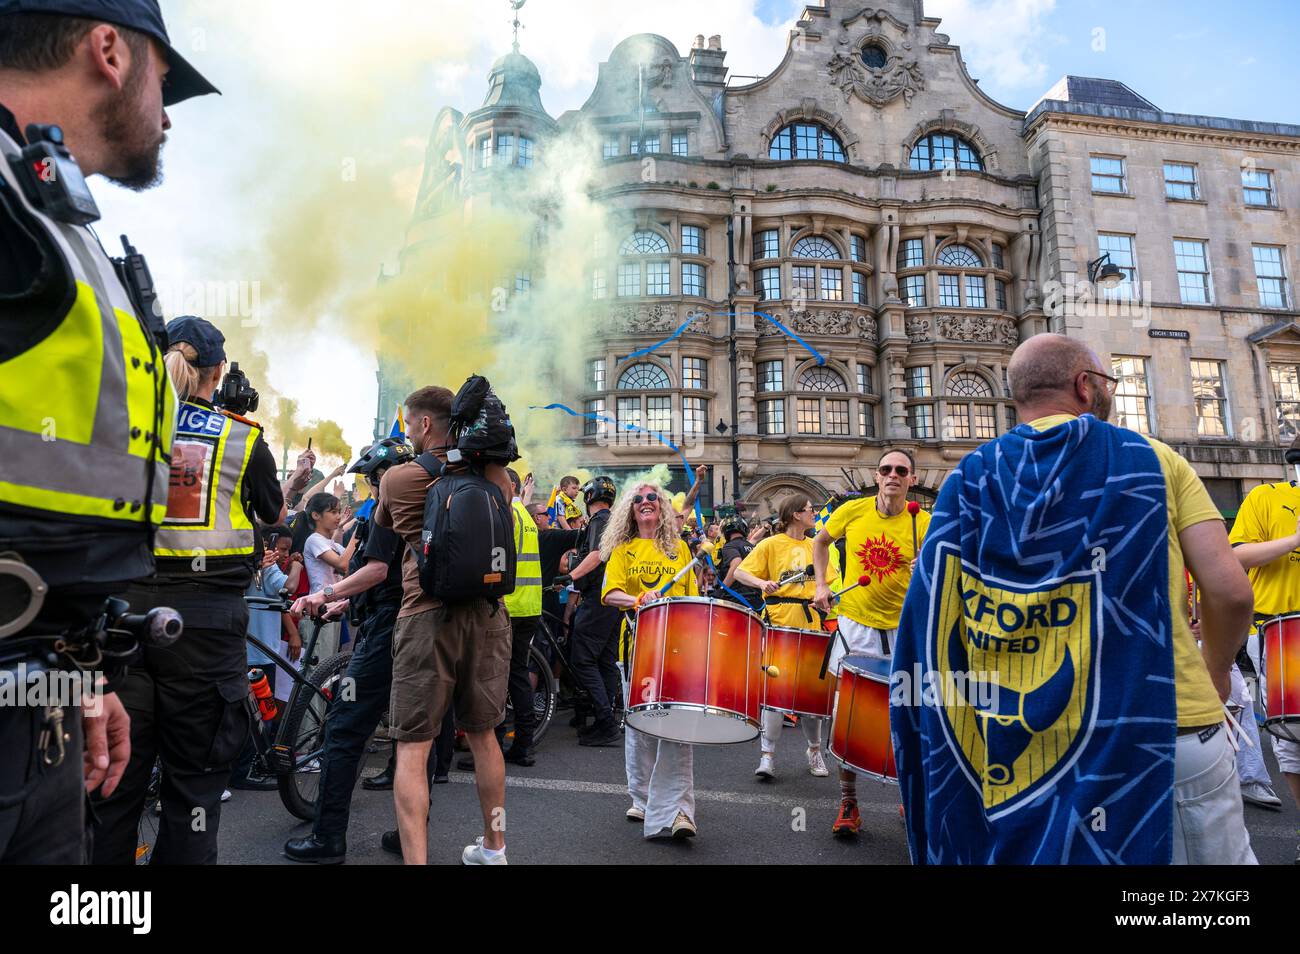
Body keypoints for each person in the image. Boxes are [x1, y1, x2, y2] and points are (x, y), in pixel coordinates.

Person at [893, 333, 1257, 865]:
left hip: (1028, 750)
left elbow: (936, 612)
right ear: (1085, 387)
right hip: (1165, 728)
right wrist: (1218, 670)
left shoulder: (969, 477)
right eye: (1106, 382)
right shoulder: (1155, 460)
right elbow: (1228, 590)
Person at [0, 0, 217, 864]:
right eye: (166, 82)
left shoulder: (46, 205)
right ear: (109, 52)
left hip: (44, 700)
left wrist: (71, 677)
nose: (166, 117)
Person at [92, 316, 306, 865]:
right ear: (216, 373)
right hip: (205, 628)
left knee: (111, 790)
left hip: (120, 620)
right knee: (194, 795)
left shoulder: (116, 428)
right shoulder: (240, 437)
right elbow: (273, 514)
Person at [283, 436, 451, 864]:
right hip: (420, 624)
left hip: (386, 635)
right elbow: (391, 576)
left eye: (373, 479)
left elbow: (377, 570)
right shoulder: (428, 502)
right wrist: (345, 601)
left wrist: (324, 596)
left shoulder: (387, 507)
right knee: (416, 734)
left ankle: (328, 838)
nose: (374, 488)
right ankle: (409, 831)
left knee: (343, 728)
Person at [372, 385, 514, 865]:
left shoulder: (398, 478)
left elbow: (385, 536)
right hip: (489, 616)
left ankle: (417, 861)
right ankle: (495, 848)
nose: (408, 433)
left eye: (410, 424)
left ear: (426, 424)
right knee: (483, 733)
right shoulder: (496, 477)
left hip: (426, 616)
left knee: (413, 747)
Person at [812, 447, 930, 836]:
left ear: (912, 479)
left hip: (904, 629)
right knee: (849, 715)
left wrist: (927, 565)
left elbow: (952, 568)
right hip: (857, 625)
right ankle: (849, 802)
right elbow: (820, 541)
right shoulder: (852, 511)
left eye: (901, 470)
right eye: (886, 469)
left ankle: (907, 792)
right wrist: (822, 584)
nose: (893, 475)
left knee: (908, 716)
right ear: (876, 476)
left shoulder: (924, 522)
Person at [601, 481, 702, 839]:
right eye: (639, 499)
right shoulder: (622, 550)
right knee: (641, 727)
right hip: (637, 649)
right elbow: (609, 593)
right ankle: (641, 798)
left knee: (676, 730)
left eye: (653, 498)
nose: (646, 503)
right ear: (631, 509)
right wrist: (637, 600)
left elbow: (694, 600)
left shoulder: (679, 549)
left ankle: (679, 810)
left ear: (661, 509)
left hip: (676, 650)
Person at [735, 494, 841, 780]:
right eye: (810, 510)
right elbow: (741, 572)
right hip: (779, 624)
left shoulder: (817, 545)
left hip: (811, 625)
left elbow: (826, 583)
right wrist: (762, 582)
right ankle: (767, 756)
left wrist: (826, 596)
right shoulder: (770, 544)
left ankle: (814, 750)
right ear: (796, 514)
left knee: (811, 696)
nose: (814, 514)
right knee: (774, 691)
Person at [1227, 447, 1300, 837]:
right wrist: (1294, 539)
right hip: (1281, 630)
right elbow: (1237, 556)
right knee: (1290, 737)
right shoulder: (1265, 496)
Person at [562, 475, 623, 745]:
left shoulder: (600, 520)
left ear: (589, 497)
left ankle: (606, 722)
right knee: (605, 662)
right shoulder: (617, 522)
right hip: (611, 599)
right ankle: (605, 720)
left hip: (597, 598)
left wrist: (570, 576)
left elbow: (598, 554)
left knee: (583, 660)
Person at [499, 468, 543, 766]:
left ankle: (493, 745)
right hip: (529, 606)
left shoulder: (508, 513)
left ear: (509, 485)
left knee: (498, 678)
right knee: (518, 675)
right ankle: (524, 744)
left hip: (510, 606)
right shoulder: (525, 515)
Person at [716, 514, 763, 612]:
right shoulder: (751, 547)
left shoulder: (729, 546)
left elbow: (736, 564)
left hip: (736, 600)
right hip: (756, 600)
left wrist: (722, 589)